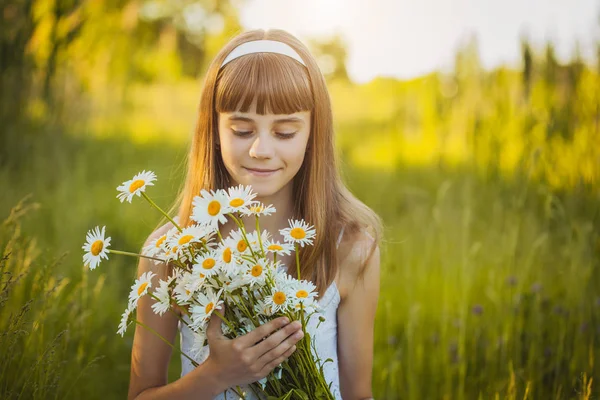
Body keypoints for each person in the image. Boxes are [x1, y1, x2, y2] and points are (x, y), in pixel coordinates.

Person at [127, 28, 382, 400]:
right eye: (243, 129)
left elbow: (359, 394)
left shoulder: (350, 248)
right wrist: (215, 376)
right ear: (214, 130)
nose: (261, 150)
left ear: (313, 133)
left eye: (285, 132)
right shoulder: (169, 253)